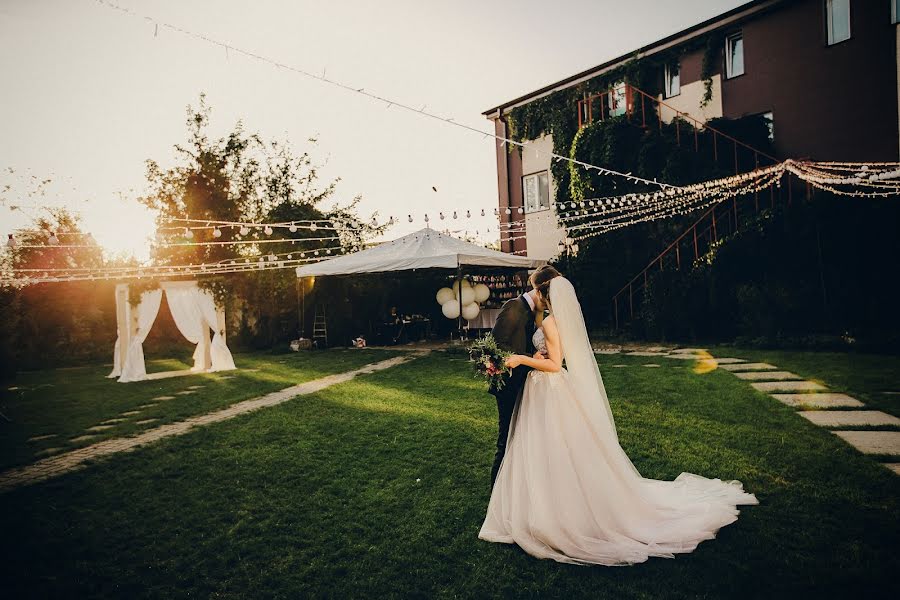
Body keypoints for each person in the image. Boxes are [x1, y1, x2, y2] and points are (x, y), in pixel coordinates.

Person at [479, 273, 758, 566]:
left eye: (536, 289)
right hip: (547, 391)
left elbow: (554, 364)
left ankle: (548, 509)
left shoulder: (549, 321)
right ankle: (540, 504)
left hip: (548, 388)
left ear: (542, 291)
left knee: (548, 447)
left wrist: (521, 359)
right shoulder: (553, 318)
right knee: (550, 448)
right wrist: (534, 350)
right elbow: (551, 350)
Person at [487, 265, 558, 488]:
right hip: (509, 384)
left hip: (527, 383)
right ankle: (496, 494)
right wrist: (530, 356)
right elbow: (496, 346)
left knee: (523, 441)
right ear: (539, 292)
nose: (548, 303)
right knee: (506, 441)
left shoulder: (534, 312)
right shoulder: (514, 307)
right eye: (546, 298)